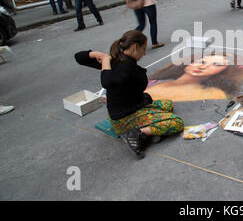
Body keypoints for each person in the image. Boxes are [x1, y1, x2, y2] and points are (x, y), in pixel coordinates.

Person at [75, 30, 184, 158]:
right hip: (125, 117)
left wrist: (103, 58)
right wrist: (104, 58)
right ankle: (137, 133)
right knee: (176, 122)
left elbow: (79, 57)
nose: (144, 53)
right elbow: (107, 82)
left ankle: (147, 134)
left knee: (167, 104)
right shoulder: (124, 67)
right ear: (134, 47)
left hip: (128, 108)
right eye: (143, 49)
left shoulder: (117, 60)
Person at [146, 52, 243, 102]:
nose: (203, 66)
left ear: (222, 72)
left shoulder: (214, 93)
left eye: (216, 65)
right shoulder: (159, 82)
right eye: (201, 61)